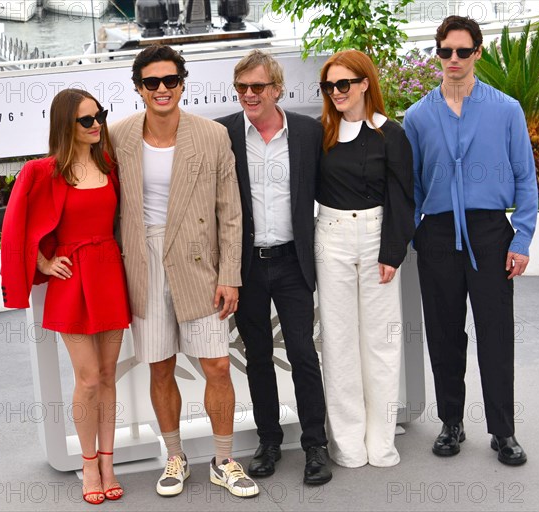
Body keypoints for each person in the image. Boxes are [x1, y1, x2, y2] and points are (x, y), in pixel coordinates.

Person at [109, 44, 259, 498]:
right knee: (159, 367)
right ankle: (174, 456)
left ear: (181, 84)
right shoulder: (117, 136)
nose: (161, 89)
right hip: (142, 260)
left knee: (216, 364)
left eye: (170, 81)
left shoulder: (212, 135)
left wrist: (229, 273)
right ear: (138, 88)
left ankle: (224, 459)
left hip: (198, 260)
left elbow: (230, 212)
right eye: (151, 82)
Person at [403, 15, 538, 465]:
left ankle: (503, 431)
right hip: (438, 234)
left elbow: (525, 176)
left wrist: (521, 239)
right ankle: (451, 423)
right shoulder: (419, 115)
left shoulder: (506, 109)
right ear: (437, 54)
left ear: (478, 52)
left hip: (489, 233)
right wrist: (414, 233)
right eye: (446, 52)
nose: (454, 60)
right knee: (443, 334)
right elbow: (414, 186)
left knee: (496, 333)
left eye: (463, 51)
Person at [1, 89, 131, 504]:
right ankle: (88, 464)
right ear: (66, 126)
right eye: (86, 121)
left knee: (109, 376)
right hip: (72, 281)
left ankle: (109, 463)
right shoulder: (43, 171)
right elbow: (15, 225)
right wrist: (40, 262)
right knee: (88, 377)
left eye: (100, 117)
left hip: (110, 274)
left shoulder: (108, 164)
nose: (97, 126)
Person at [216, 49, 332, 485]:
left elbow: (333, 186)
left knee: (303, 354)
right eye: (242, 87)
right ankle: (268, 441)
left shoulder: (306, 132)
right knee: (258, 357)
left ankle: (315, 445)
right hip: (245, 266)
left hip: (292, 261)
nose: (249, 94)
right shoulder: (223, 133)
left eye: (258, 87)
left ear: (277, 89)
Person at [315, 49, 415, 468]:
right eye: (329, 86)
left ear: (364, 84)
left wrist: (392, 251)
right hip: (332, 238)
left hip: (376, 238)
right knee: (338, 342)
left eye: (344, 84)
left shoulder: (390, 133)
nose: (336, 92)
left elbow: (403, 195)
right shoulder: (320, 133)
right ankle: (348, 443)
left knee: (381, 343)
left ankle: (381, 440)